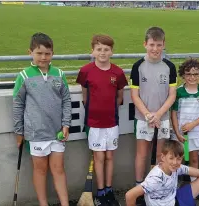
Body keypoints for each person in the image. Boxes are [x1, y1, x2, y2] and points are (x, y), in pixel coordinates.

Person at [13, 32, 72, 206]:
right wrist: (19, 131)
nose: (43, 57)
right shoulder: (24, 76)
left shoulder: (59, 74)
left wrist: (66, 125)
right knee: (40, 170)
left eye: (47, 53)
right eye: (39, 53)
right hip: (36, 133)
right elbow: (17, 105)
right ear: (30, 52)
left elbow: (66, 100)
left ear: (52, 53)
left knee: (58, 170)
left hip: (57, 133)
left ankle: (65, 203)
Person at [76, 34, 128, 206]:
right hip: (94, 123)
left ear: (112, 51)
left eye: (106, 49)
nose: (103, 52)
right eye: (99, 49)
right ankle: (99, 192)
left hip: (112, 122)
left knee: (109, 157)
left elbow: (120, 95)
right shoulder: (86, 71)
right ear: (93, 51)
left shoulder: (118, 72)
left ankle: (108, 190)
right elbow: (84, 92)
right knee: (98, 157)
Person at [130, 26, 177, 205]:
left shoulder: (169, 67)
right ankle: (139, 188)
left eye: (158, 45)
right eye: (151, 45)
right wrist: (149, 114)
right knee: (142, 154)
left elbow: (172, 95)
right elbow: (135, 95)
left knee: (160, 155)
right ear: (145, 44)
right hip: (143, 119)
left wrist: (158, 114)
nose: (155, 49)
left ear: (164, 45)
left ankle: (157, 188)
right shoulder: (138, 66)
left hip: (163, 118)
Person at [170, 58, 199, 199]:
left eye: (195, 74)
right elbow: (174, 114)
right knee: (177, 160)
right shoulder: (179, 92)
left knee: (194, 159)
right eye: (188, 74)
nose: (192, 77)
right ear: (183, 75)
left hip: (195, 133)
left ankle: (195, 188)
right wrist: (177, 132)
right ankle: (173, 188)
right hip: (180, 134)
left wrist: (192, 124)